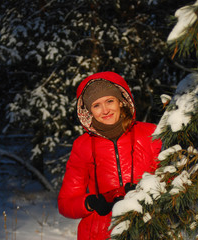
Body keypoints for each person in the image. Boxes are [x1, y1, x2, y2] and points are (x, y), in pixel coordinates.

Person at [58, 71, 162, 240]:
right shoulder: (82, 145)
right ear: (89, 110)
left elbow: (171, 178)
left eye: (109, 101)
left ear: (121, 101)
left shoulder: (150, 134)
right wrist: (90, 203)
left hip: (149, 228)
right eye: (96, 105)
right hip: (100, 234)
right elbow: (65, 203)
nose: (105, 110)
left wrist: (147, 191)